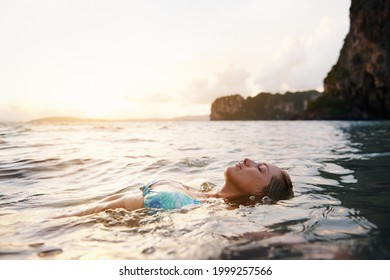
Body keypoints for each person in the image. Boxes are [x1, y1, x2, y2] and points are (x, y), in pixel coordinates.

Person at [57, 158, 293, 217]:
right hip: (57, 223)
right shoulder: (203, 194)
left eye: (261, 169)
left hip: (63, 229)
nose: (249, 160)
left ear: (259, 195)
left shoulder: (199, 208)